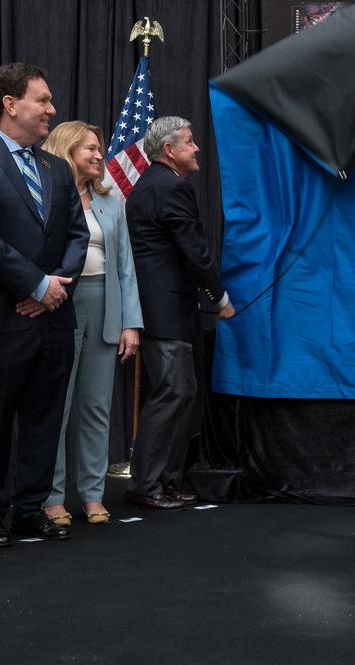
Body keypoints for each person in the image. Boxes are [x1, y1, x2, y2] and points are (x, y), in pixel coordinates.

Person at [0, 63, 89, 546]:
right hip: (1, 317)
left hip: (54, 319)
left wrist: (55, 290)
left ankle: (29, 508)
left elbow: (78, 235)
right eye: (42, 100)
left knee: (45, 418)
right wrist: (36, 284)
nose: (51, 110)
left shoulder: (57, 168)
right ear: (10, 104)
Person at [124, 116, 233, 510]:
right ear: (169, 150)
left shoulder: (152, 184)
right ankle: (146, 485)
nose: (197, 148)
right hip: (164, 312)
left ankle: (166, 482)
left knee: (182, 393)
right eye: (189, 141)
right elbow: (194, 251)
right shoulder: (170, 187)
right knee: (173, 393)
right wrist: (220, 298)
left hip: (168, 311)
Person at [40, 121, 143, 526]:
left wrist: (130, 323)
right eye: (91, 149)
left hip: (106, 304)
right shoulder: (46, 195)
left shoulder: (111, 202)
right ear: (67, 150)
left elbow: (126, 267)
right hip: (60, 304)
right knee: (57, 406)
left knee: (97, 406)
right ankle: (52, 498)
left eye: (100, 149)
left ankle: (93, 494)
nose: (100, 155)